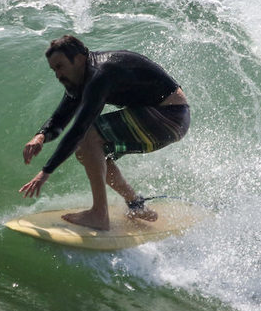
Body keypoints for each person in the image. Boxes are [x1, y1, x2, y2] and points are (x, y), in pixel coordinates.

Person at [19, 35, 190, 230]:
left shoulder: (100, 75)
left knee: (89, 136)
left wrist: (45, 172)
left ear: (79, 59)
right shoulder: (81, 78)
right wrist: (41, 136)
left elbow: (79, 129)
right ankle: (136, 205)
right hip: (161, 119)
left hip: (170, 117)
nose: (58, 75)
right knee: (89, 153)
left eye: (60, 66)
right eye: (54, 69)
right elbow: (63, 115)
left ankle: (99, 215)